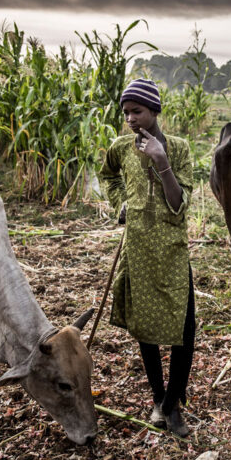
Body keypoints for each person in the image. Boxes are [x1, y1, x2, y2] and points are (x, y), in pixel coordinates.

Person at [99, 78, 195, 437]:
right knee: (145, 327)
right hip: (137, 248)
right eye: (126, 113)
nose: (130, 119)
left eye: (137, 111)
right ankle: (159, 399)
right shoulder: (121, 148)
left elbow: (178, 203)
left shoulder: (179, 148)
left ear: (154, 110)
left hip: (171, 250)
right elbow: (108, 176)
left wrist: (161, 160)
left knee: (184, 329)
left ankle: (172, 404)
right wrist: (119, 203)